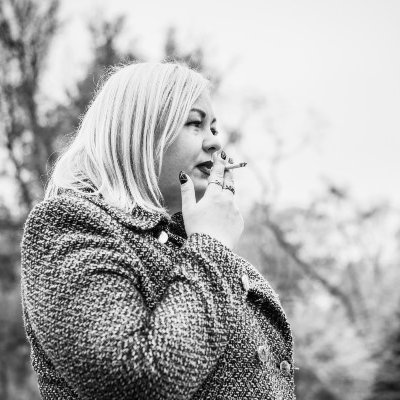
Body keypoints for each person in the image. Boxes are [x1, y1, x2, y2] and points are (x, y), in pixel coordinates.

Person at [20, 61, 296, 400]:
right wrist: (212, 244)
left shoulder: (206, 254)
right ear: (140, 134)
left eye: (214, 128)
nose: (215, 142)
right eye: (196, 124)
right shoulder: (69, 224)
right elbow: (134, 380)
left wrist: (209, 245)